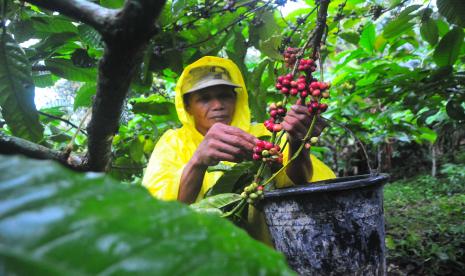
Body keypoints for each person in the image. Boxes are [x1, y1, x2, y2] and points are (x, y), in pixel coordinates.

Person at [142, 56, 335, 204]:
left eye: (224, 96)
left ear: (236, 99)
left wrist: (297, 144)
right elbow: (160, 211)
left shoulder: (264, 134)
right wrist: (197, 163)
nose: (217, 105)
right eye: (205, 98)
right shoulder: (173, 142)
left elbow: (301, 185)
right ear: (188, 106)